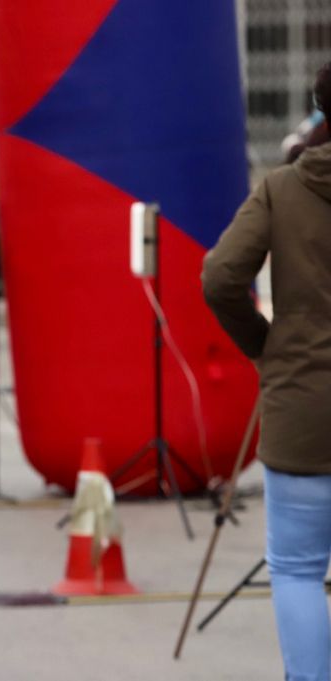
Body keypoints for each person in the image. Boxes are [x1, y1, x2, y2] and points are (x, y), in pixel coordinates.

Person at [202, 61, 331, 681]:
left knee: (300, 570)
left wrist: (268, 349)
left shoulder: (284, 187)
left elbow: (221, 276)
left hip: (302, 407)